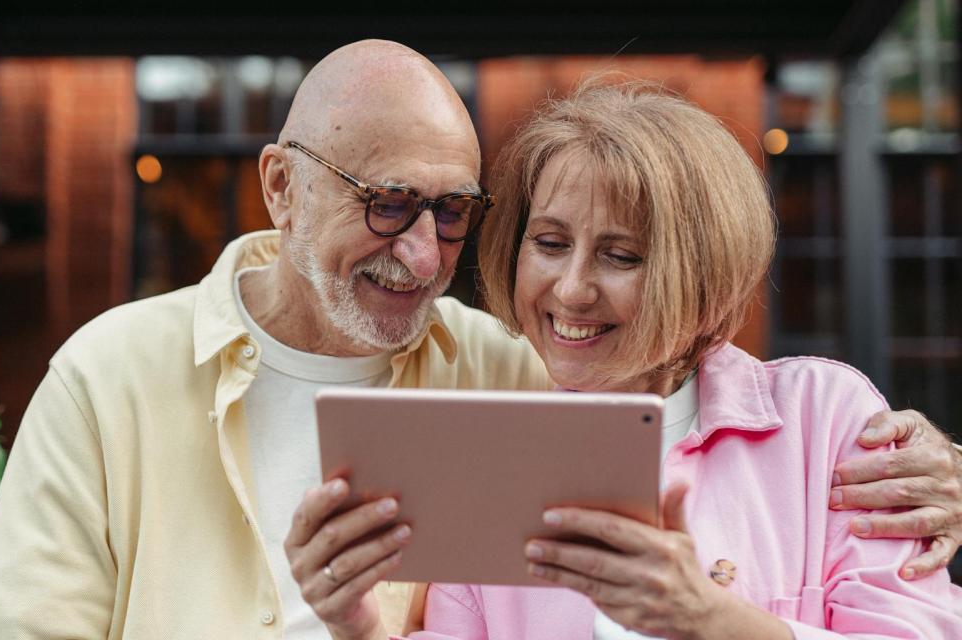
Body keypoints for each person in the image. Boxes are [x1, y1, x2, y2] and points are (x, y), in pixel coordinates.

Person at [0, 41, 962, 639]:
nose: (422, 252)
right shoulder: (112, 375)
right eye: (389, 204)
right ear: (281, 187)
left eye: (451, 213)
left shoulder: (509, 390)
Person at [290, 78, 962, 639]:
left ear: (707, 274)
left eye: (621, 256)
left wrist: (714, 622)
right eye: (550, 243)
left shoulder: (826, 421)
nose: (573, 289)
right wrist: (358, 628)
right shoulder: (496, 458)